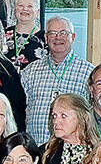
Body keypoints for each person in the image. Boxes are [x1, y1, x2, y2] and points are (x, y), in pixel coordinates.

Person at [21, 16, 94, 144]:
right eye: (52, 33)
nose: (57, 37)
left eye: (63, 33)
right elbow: (21, 109)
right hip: (35, 148)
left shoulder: (88, 72)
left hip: (70, 150)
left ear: (73, 37)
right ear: (46, 38)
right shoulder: (30, 71)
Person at [5, 0, 45, 71]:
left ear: (37, 11)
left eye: (30, 6)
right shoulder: (3, 35)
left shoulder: (45, 39)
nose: (25, 9)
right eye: (20, 5)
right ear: (15, 9)